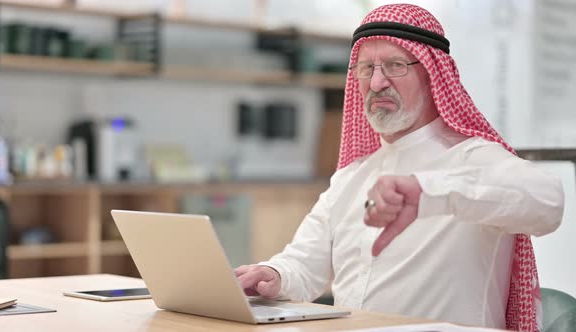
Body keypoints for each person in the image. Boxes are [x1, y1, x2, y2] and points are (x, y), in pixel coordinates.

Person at [234, 4, 564, 331]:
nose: (377, 82)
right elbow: (304, 266)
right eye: (366, 68)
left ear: (434, 74)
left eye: (395, 65)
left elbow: (548, 202)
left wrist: (431, 193)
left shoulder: (474, 158)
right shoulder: (353, 175)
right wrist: (274, 276)